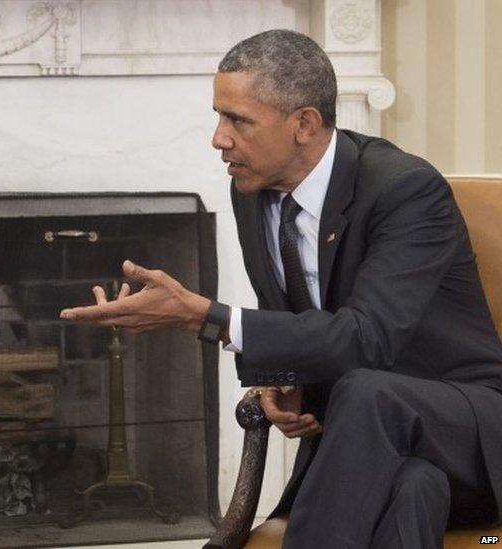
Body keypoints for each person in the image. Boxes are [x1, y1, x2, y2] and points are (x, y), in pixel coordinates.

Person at [61, 29, 502, 547]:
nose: (218, 138)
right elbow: (296, 321)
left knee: (367, 390)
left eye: (238, 120)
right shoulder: (251, 191)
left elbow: (368, 339)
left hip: (467, 433)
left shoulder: (405, 190)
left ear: (304, 124)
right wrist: (279, 378)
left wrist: (207, 315)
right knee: (414, 489)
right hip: (381, 455)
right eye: (218, 116)